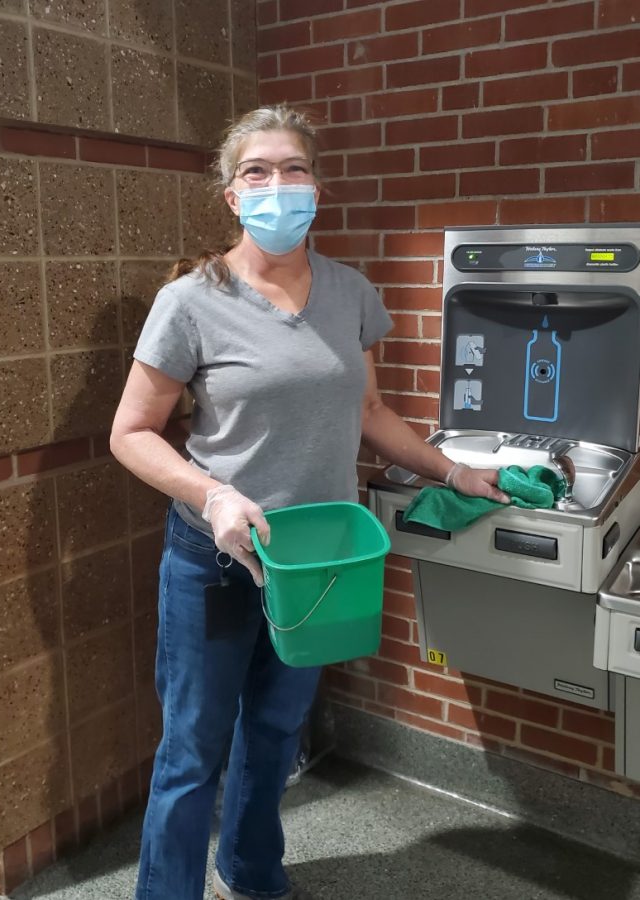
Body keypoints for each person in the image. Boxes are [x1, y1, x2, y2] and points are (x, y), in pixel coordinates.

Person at [110, 104, 508, 900]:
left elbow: (368, 413)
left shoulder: (350, 293)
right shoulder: (190, 302)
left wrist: (451, 472)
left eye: (293, 169)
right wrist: (214, 492)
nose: (277, 186)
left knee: (275, 731)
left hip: (318, 564)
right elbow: (130, 432)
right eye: (257, 172)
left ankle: (252, 875)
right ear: (231, 194)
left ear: (317, 187)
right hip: (216, 559)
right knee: (192, 750)